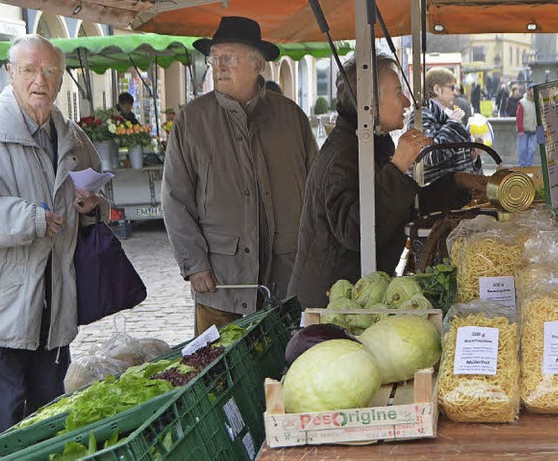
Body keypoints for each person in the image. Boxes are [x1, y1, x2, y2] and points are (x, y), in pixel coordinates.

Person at [0, 34, 108, 448]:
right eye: (29, 70)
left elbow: (97, 196)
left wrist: (91, 206)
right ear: (10, 74)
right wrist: (26, 218)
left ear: (61, 78)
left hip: (52, 316)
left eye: (49, 71)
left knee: (46, 431)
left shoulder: (73, 138)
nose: (39, 81)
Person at [287, 52, 488, 309]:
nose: (406, 101)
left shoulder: (370, 143)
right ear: (369, 103)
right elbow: (356, 231)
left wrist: (457, 183)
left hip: (358, 294)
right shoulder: (343, 155)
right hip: (331, 305)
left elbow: (404, 204)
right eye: (397, 93)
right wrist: (397, 166)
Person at [162, 16, 318, 334]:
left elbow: (317, 193)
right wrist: (195, 264)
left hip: (285, 277)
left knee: (285, 374)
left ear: (256, 64)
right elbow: (175, 199)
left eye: (229, 58)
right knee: (221, 376)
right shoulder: (192, 121)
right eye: (214, 58)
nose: (218, 66)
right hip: (221, 283)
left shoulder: (291, 118)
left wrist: (314, 261)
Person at [407, 67, 481, 184]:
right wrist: (453, 125)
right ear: (437, 89)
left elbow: (454, 157)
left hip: (454, 192)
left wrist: (473, 154)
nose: (455, 92)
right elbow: (428, 155)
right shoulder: (420, 116)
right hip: (438, 194)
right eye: (452, 87)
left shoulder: (446, 114)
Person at [516, 84, 538, 167]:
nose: (533, 91)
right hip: (524, 131)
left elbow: (540, 118)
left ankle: (529, 166)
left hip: (534, 131)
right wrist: (520, 129)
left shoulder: (538, 102)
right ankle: (522, 167)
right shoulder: (522, 102)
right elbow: (519, 117)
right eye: (532, 90)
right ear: (528, 91)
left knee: (532, 150)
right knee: (522, 150)